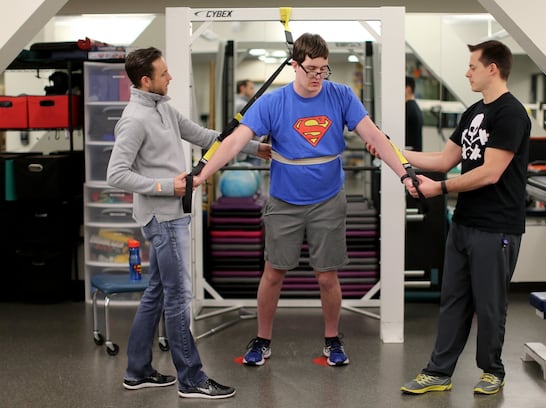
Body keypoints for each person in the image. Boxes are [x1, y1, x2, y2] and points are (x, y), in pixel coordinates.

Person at [196, 33, 410, 367]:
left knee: (327, 276)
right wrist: (201, 176)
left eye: (323, 70)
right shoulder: (273, 102)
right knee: (274, 273)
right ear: (294, 65)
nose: (317, 77)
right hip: (284, 201)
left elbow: (375, 137)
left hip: (328, 199)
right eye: (310, 69)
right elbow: (235, 142)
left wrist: (405, 172)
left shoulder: (341, 95)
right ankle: (263, 339)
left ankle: (332, 339)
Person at [106, 47, 269, 399]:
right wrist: (167, 186)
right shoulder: (134, 118)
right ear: (146, 80)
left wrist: (256, 148)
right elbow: (116, 174)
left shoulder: (162, 107)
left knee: (156, 293)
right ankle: (191, 379)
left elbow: (204, 136)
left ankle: (137, 371)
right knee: (179, 298)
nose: (171, 77)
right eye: (164, 73)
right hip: (163, 218)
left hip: (172, 214)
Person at [398, 40, 531, 395]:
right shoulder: (473, 111)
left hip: (497, 226)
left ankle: (493, 371)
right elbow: (444, 161)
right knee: (453, 300)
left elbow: (490, 173)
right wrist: (393, 149)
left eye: (473, 66)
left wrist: (439, 189)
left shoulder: (512, 114)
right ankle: (438, 372)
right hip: (464, 223)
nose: (467, 72)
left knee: (489, 306)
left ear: (492, 68)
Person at [405, 76, 423, 152]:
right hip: (416, 153)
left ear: (408, 89)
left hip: (410, 154)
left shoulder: (408, 108)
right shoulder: (415, 107)